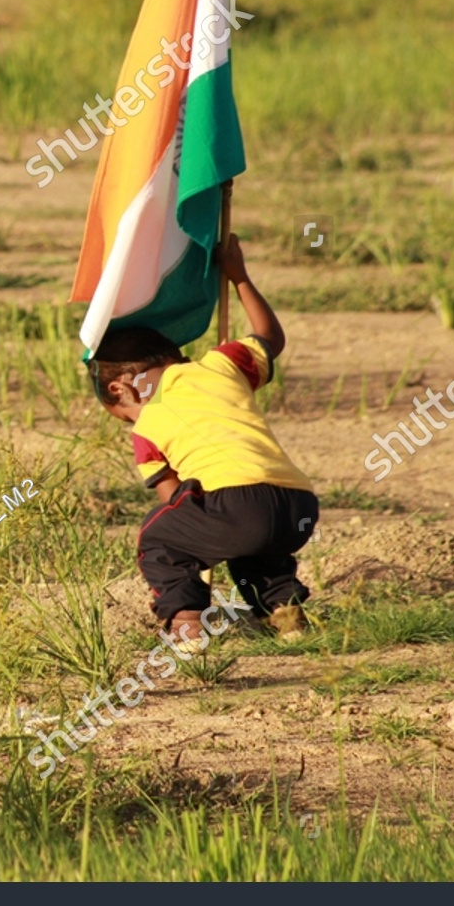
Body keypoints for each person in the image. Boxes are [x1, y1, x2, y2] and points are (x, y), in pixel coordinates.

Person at [86, 233, 318, 654]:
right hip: (298, 504)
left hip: (237, 503)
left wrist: (192, 559)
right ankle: (287, 617)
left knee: (159, 536)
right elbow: (270, 337)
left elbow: (174, 497)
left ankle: (187, 625)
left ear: (123, 390)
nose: (129, 423)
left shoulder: (148, 427)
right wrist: (238, 276)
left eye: (122, 415)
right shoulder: (222, 364)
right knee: (255, 550)